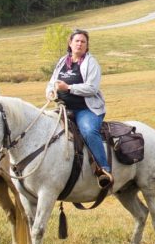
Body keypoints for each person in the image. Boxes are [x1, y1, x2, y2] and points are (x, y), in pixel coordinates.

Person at [46, 29, 113, 189]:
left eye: (83, 42)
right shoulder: (63, 61)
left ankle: (104, 169)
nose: (80, 44)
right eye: (77, 41)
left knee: (89, 131)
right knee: (45, 129)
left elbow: (92, 88)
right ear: (70, 43)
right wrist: (50, 92)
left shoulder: (91, 63)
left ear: (86, 45)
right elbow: (52, 82)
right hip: (63, 108)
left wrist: (68, 88)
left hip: (86, 110)